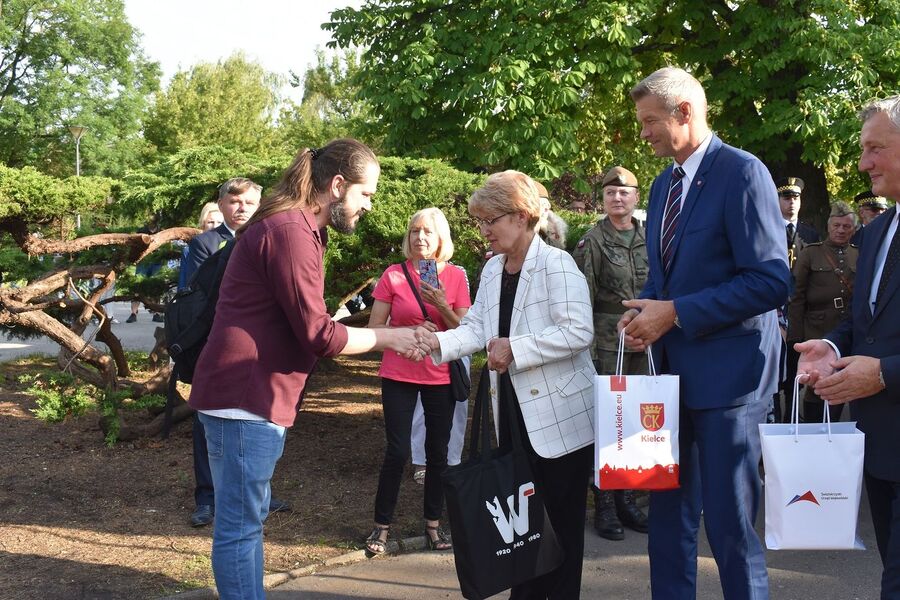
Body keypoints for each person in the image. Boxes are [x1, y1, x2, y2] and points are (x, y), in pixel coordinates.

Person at [188, 139, 423, 599]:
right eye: (365, 194)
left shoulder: (301, 228)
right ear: (336, 186)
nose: (369, 205)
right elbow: (319, 335)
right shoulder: (291, 230)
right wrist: (390, 337)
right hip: (244, 400)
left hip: (251, 398)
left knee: (245, 523)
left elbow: (305, 325)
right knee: (240, 527)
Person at [618, 67, 790, 599]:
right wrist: (644, 313)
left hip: (729, 385)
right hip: (669, 382)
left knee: (730, 526)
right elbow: (665, 276)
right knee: (667, 525)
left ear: (685, 112)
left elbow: (770, 281)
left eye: (650, 121)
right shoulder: (662, 183)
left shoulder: (743, 172)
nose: (643, 133)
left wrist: (674, 313)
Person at [415, 170, 595, 599]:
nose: (483, 230)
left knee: (562, 530)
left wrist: (516, 348)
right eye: (480, 221)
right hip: (514, 415)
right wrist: (434, 343)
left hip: (563, 423)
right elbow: (477, 327)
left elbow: (579, 332)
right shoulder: (494, 268)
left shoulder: (557, 264)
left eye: (489, 220)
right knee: (526, 530)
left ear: (520, 215)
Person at [796, 94, 900, 599]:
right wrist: (831, 348)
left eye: (875, 148)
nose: (862, 163)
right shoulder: (876, 233)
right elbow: (865, 324)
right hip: (881, 446)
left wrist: (884, 373)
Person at [177, 179, 289, 528]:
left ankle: (261, 492)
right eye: (235, 201)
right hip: (211, 344)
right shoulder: (205, 243)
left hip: (255, 350)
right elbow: (197, 297)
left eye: (250, 202)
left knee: (260, 422)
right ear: (221, 204)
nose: (242, 208)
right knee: (207, 425)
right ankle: (206, 497)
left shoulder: (266, 238)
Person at [365, 207, 471, 554]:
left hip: (439, 375)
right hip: (399, 372)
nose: (420, 237)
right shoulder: (394, 275)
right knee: (397, 451)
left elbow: (465, 332)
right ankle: (381, 526)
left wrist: (442, 304)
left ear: (441, 239)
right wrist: (409, 331)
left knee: (437, 452)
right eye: (415, 231)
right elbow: (374, 329)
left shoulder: (454, 276)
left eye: (428, 232)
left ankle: (433, 526)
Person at [572, 165, 649, 541]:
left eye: (624, 192)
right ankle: (604, 502)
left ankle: (627, 498)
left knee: (635, 422)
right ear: (602, 199)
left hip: (645, 343)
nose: (617, 198)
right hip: (606, 347)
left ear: (636, 197)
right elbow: (582, 300)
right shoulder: (593, 241)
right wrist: (584, 350)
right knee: (608, 423)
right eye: (610, 193)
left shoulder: (651, 238)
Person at [787, 202, 858, 423]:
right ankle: (813, 427)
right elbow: (796, 297)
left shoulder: (859, 254)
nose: (841, 230)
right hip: (817, 329)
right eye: (837, 225)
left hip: (848, 328)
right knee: (816, 386)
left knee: (842, 383)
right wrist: (795, 336)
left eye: (846, 226)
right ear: (828, 226)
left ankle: (833, 428)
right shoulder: (811, 253)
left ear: (854, 229)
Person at [773, 176, 820, 422]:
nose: (791, 202)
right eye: (786, 197)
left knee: (795, 366)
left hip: (801, 311)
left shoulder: (810, 233)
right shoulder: (768, 228)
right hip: (772, 309)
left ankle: (792, 416)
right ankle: (773, 416)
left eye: (795, 197)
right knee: (773, 369)